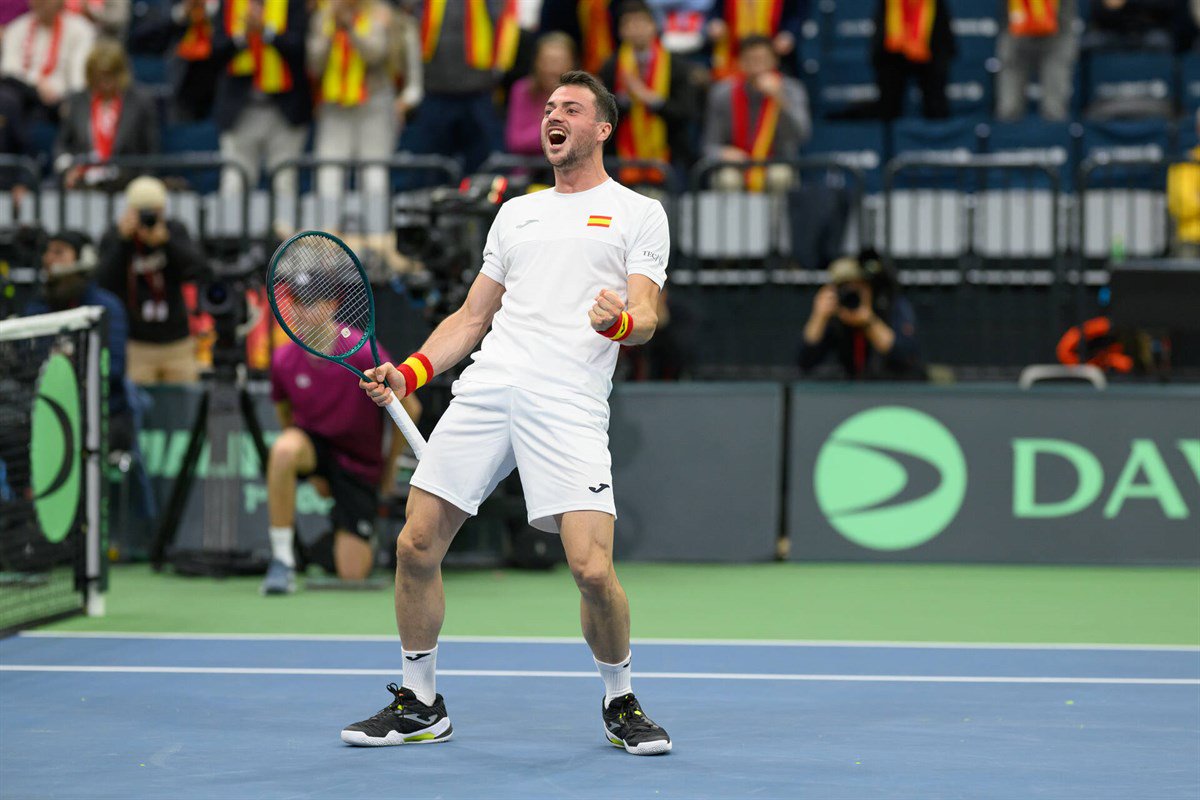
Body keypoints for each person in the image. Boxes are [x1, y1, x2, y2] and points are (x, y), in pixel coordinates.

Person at [347, 70, 672, 755]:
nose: (554, 115)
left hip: (569, 401)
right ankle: (420, 702)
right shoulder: (516, 212)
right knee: (414, 545)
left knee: (590, 570)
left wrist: (618, 323)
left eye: (571, 108)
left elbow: (646, 315)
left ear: (602, 129)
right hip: (491, 388)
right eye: (549, 107)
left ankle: (621, 700)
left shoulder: (639, 212)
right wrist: (408, 372)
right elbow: (471, 317)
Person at [263, 281, 419, 591]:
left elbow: (410, 409)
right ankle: (282, 560)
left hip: (359, 464)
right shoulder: (283, 360)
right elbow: (285, 415)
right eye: (301, 303)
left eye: (317, 301)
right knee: (282, 450)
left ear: (334, 304)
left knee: (352, 574)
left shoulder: (362, 353)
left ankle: (342, 536)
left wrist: (388, 470)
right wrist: (304, 468)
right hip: (315, 447)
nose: (308, 311)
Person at [24, 229, 134, 451]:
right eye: (47, 251)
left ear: (84, 259)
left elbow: (113, 368)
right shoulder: (37, 307)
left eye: (59, 252)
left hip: (102, 411)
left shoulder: (104, 308)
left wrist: (68, 367)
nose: (49, 258)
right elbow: (26, 362)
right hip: (46, 409)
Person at [95, 176, 209, 385]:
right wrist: (122, 242)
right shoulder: (115, 236)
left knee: (180, 406)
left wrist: (167, 243)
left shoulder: (174, 231)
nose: (148, 218)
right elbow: (103, 282)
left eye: (154, 212)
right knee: (141, 409)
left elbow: (199, 270)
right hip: (137, 343)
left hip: (177, 342)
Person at [211, 0, 311, 222]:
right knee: (235, 182)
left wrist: (266, 31)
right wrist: (243, 36)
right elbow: (215, 52)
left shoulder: (293, 4)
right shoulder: (228, 4)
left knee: (285, 183)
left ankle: (287, 251)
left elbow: (300, 50)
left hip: (284, 110)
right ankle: (230, 250)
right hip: (241, 110)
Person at [402, 0, 517, 176]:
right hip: (435, 91)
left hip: (480, 93)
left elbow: (506, 26)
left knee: (484, 167)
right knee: (429, 168)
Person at [598, 0, 697, 185]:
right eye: (629, 24)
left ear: (654, 26)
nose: (636, 29)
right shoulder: (611, 67)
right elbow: (603, 116)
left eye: (641, 22)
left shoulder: (677, 65)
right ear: (620, 31)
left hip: (668, 154)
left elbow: (685, 112)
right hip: (621, 157)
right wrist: (625, 99)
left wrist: (649, 98)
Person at [307, 0, 395, 201]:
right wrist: (331, 34)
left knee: (374, 173)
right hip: (334, 106)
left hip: (373, 105)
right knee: (329, 173)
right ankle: (326, 229)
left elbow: (375, 54)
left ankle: (376, 230)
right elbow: (314, 64)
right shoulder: (323, 17)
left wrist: (351, 28)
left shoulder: (377, 13)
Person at [702, 34, 810, 192]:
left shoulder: (792, 89)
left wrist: (780, 99)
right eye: (751, 60)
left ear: (775, 61)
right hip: (737, 164)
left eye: (763, 60)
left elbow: (801, 134)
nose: (757, 66)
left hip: (776, 161)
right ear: (740, 62)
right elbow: (708, 145)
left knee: (780, 176)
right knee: (727, 179)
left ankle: (777, 218)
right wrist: (723, 153)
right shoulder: (722, 93)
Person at [54, 39, 160, 189]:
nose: (105, 83)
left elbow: (151, 153)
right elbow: (62, 146)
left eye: (110, 76)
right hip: (83, 184)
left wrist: (141, 185)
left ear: (121, 73)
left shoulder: (140, 102)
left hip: (125, 184)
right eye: (99, 77)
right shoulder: (76, 101)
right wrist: (67, 169)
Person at [798, 253, 923, 380]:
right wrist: (818, 317)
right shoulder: (838, 316)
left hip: (895, 390)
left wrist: (870, 322)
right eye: (846, 288)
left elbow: (905, 356)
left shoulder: (890, 306)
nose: (852, 295)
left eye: (858, 287)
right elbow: (805, 362)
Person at [0, 0, 96, 121]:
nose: (41, 3)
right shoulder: (17, 28)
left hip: (59, 102)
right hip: (23, 95)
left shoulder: (81, 30)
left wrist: (63, 97)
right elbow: (8, 70)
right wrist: (36, 85)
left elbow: (78, 79)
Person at [871, 0, 955, 120]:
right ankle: (886, 131)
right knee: (889, 94)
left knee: (936, 100)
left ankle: (939, 132)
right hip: (893, 53)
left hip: (930, 48)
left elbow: (945, 42)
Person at [995, 0, 1078, 122]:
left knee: (1054, 110)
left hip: (1058, 32)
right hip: (1015, 30)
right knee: (1009, 109)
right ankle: (1006, 137)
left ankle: (1056, 139)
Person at [505, 31, 577, 156]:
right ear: (536, 62)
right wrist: (556, 125)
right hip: (528, 169)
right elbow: (516, 142)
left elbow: (584, 141)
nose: (552, 69)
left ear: (571, 64)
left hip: (571, 168)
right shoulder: (522, 90)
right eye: (547, 61)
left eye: (559, 61)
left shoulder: (583, 94)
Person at [705, 0, 806, 79]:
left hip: (773, 52)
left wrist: (788, 33)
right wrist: (715, 22)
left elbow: (796, 14)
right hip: (732, 55)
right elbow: (716, 11)